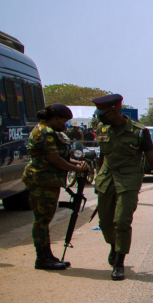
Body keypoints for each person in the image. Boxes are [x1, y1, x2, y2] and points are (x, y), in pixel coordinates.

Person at [92, 94, 153, 280]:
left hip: (129, 179)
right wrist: (97, 178)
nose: (99, 117)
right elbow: (103, 156)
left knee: (121, 221)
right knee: (105, 223)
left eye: (102, 114)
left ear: (114, 112)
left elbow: (152, 160)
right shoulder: (102, 128)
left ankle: (120, 261)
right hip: (107, 177)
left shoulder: (139, 131)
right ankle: (114, 245)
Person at [21, 104, 92, 270]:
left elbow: (59, 157)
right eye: (64, 121)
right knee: (41, 220)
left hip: (47, 181)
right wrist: (76, 168)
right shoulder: (46, 132)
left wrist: (76, 163)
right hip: (41, 181)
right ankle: (42, 258)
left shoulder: (49, 131)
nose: (64, 125)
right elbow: (54, 159)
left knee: (45, 219)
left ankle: (47, 256)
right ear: (56, 118)